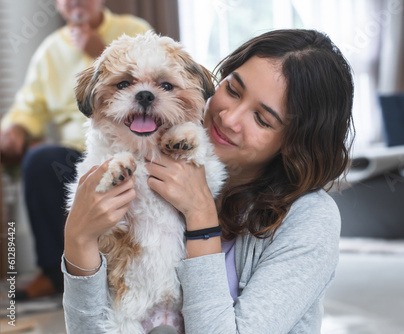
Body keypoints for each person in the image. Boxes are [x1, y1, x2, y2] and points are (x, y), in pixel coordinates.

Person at [62, 29, 354, 333]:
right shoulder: (144, 159)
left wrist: (200, 215)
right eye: (233, 90)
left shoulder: (311, 218)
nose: (229, 118)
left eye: (262, 119)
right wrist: (78, 241)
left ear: (294, 142)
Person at [0, 0, 152, 300]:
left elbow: (153, 85)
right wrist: (15, 129)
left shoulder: (135, 30)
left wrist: (102, 52)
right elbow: (29, 106)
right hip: (76, 154)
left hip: (133, 146)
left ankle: (132, 272)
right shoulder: (50, 50)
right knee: (39, 161)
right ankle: (54, 272)